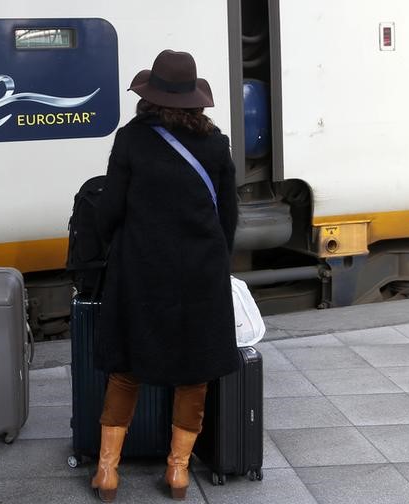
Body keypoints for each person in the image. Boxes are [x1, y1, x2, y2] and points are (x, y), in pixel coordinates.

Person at [91, 49, 240, 502]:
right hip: (200, 272)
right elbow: (229, 217)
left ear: (150, 96)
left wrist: (109, 244)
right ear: (196, 100)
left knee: (125, 369)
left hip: (141, 270)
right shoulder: (216, 145)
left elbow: (110, 210)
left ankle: (108, 472)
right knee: (193, 373)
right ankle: (177, 474)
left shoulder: (131, 140)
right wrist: (215, 261)